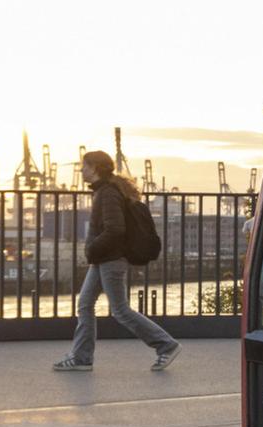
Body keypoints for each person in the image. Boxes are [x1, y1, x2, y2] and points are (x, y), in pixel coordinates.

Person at [53, 150, 180, 372]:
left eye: (84, 166)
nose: (81, 170)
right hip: (103, 258)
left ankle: (166, 345)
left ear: (94, 168)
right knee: (84, 304)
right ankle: (82, 358)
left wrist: (92, 247)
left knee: (120, 310)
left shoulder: (108, 193)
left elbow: (115, 229)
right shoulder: (105, 190)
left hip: (110, 259)